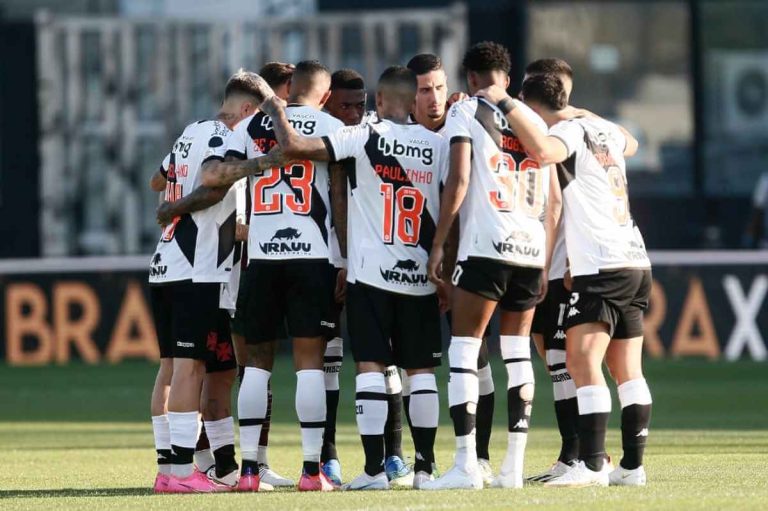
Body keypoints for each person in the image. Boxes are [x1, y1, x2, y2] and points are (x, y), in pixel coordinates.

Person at [261, 65, 447, 491]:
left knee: (370, 367)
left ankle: (374, 470)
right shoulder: (437, 145)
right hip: (420, 275)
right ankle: (424, 468)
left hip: (370, 276)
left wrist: (276, 107)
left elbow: (293, 147)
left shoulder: (364, 135)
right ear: (415, 102)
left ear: (379, 102)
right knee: (420, 373)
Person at [482, 72, 652, 487]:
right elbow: (633, 142)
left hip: (601, 264)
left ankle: (592, 464)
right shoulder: (604, 129)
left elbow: (542, 150)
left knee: (580, 362)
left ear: (534, 106)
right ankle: (632, 467)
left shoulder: (568, 132)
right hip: (634, 258)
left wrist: (503, 102)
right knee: (628, 370)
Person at [424, 41, 560, 490]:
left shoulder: (466, 113)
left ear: (471, 79)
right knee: (518, 352)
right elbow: (553, 198)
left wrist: (440, 243)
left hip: (486, 246)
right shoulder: (533, 121)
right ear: (507, 74)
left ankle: (466, 465)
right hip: (528, 248)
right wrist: (543, 260)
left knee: (465, 349)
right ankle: (513, 469)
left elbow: (459, 179)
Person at [205, 60, 342, 492]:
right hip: (313, 257)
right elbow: (338, 195)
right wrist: (345, 258)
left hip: (261, 258)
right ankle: (310, 471)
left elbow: (218, 176)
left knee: (256, 369)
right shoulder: (330, 125)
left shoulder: (249, 129)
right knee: (309, 368)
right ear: (323, 94)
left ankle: (248, 471)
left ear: (289, 88)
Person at [148, 70, 278, 493]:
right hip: (196, 268)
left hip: (167, 263)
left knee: (185, 367)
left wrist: (175, 205)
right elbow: (211, 181)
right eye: (257, 117)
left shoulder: (190, 131)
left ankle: (187, 469)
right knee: (191, 368)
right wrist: (256, 165)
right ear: (245, 110)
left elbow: (158, 179)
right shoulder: (228, 136)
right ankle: (182, 475)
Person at [406, 52, 495, 485]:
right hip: (404, 266)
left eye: (440, 87)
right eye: (425, 89)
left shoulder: (466, 125)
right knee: (405, 364)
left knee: (476, 357)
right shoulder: (391, 136)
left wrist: (448, 260)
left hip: (459, 263)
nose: (435, 98)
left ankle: (480, 456)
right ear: (410, 95)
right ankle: (408, 461)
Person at [323, 68, 414, 485]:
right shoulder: (324, 139)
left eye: (360, 105)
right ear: (326, 103)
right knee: (328, 359)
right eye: (346, 105)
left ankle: (392, 454)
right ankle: (327, 455)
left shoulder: (370, 139)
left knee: (383, 356)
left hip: (368, 267)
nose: (355, 112)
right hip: (319, 261)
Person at [226, 61, 296, 490]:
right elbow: (232, 219)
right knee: (240, 367)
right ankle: (218, 459)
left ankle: (256, 461)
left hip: (253, 264)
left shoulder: (261, 140)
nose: (284, 106)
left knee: (255, 367)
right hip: (237, 267)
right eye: (281, 96)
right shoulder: (243, 141)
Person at [522, 58, 580, 483]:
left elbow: (564, 205)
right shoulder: (543, 135)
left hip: (561, 265)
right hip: (538, 260)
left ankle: (579, 456)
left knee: (564, 362)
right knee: (552, 360)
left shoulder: (568, 137)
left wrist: (559, 261)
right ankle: (575, 455)